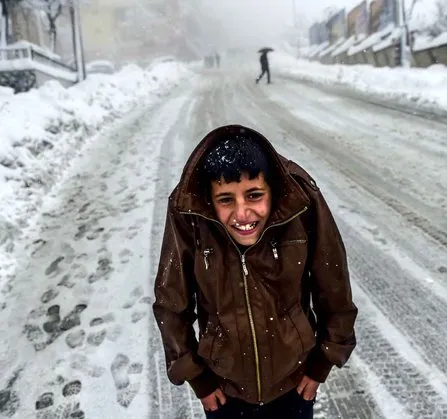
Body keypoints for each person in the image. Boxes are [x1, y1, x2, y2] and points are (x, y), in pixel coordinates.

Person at [153, 124, 358, 418]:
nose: (242, 214)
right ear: (210, 201)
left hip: (294, 383)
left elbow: (333, 284)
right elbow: (171, 302)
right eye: (226, 199)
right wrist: (199, 380)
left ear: (272, 190)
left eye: (254, 195)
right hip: (224, 390)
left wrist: (321, 364)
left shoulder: (302, 202)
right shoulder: (190, 216)